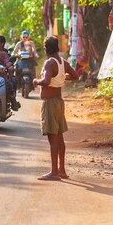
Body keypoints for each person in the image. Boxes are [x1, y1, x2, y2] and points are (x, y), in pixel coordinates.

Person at [33, 36, 78, 181]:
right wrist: (62, 78)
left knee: (52, 138)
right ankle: (62, 170)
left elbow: (46, 81)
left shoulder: (49, 63)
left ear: (46, 49)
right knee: (59, 137)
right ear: (57, 47)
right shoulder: (62, 62)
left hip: (50, 103)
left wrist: (36, 81)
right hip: (59, 102)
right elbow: (75, 76)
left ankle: (54, 172)